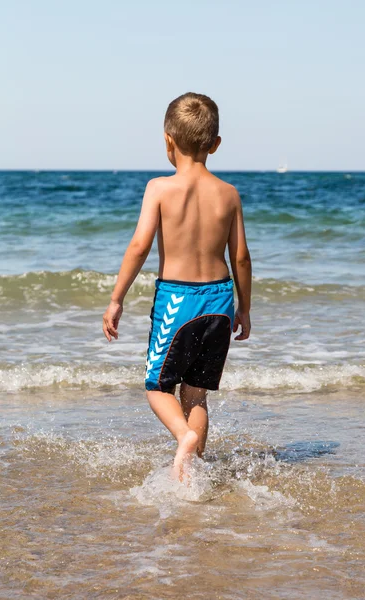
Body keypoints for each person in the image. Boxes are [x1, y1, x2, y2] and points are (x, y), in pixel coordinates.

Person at [103, 92, 252, 479]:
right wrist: (245, 308)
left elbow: (139, 247)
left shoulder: (159, 188)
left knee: (157, 386)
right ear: (215, 145)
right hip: (220, 300)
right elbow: (241, 258)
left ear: (168, 141)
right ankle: (194, 473)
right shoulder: (229, 194)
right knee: (196, 391)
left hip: (177, 301)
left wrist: (117, 299)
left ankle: (183, 437)